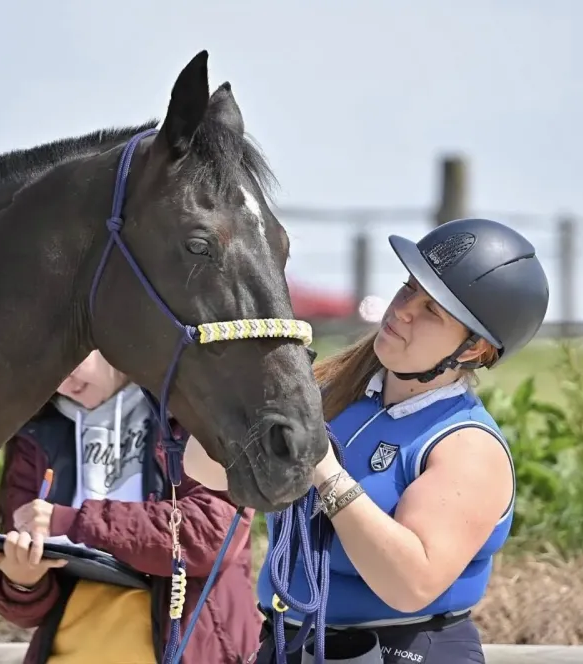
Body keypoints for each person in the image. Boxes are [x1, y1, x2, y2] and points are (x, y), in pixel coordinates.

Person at [184, 218, 550, 664]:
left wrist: (325, 470)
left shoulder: (466, 447)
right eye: (408, 287)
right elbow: (201, 468)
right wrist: (240, 390)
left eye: (432, 310)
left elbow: (409, 584)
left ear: (472, 349)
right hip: (290, 645)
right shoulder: (331, 393)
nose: (404, 309)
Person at [0, 350, 262, 664]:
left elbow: (210, 535)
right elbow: (26, 611)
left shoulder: (194, 412)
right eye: (46, 367)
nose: (62, 379)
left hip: (192, 650)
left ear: (112, 336)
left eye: (70, 359)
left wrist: (74, 521)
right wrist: (23, 580)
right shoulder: (36, 434)